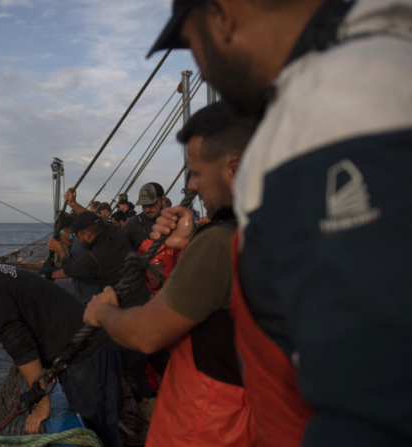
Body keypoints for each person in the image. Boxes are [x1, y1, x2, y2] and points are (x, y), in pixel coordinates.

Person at [149, 0, 412, 445]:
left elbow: (375, 388)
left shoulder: (339, 108)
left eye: (192, 44)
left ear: (222, 17)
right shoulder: (364, 71)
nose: (205, 72)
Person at [84, 102, 255, 447]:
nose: (190, 183)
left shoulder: (221, 242)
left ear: (233, 169)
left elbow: (148, 334)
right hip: (246, 413)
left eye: (196, 172)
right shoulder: (266, 228)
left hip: (206, 422)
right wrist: (185, 243)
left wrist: (103, 312)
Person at [0, 243, 121, 447]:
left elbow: (20, 345)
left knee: (99, 438)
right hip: (83, 350)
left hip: (88, 355)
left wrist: (42, 404)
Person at [48, 209, 155, 422]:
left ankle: (150, 422)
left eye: (78, 236)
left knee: (133, 372)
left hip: (130, 316)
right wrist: (74, 204)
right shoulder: (117, 233)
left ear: (87, 235)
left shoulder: (95, 258)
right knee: (162, 361)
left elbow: (70, 268)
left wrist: (61, 250)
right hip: (148, 303)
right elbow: (97, 221)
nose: (76, 240)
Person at [45, 214, 100, 304]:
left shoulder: (77, 245)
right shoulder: (75, 243)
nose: (61, 240)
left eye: (60, 236)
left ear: (66, 231)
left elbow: (74, 269)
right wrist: (51, 275)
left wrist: (60, 250)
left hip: (90, 298)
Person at [120, 183, 167, 251]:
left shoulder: (175, 223)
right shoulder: (131, 225)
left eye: (151, 204)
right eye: (144, 205)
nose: (147, 209)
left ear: (163, 200)